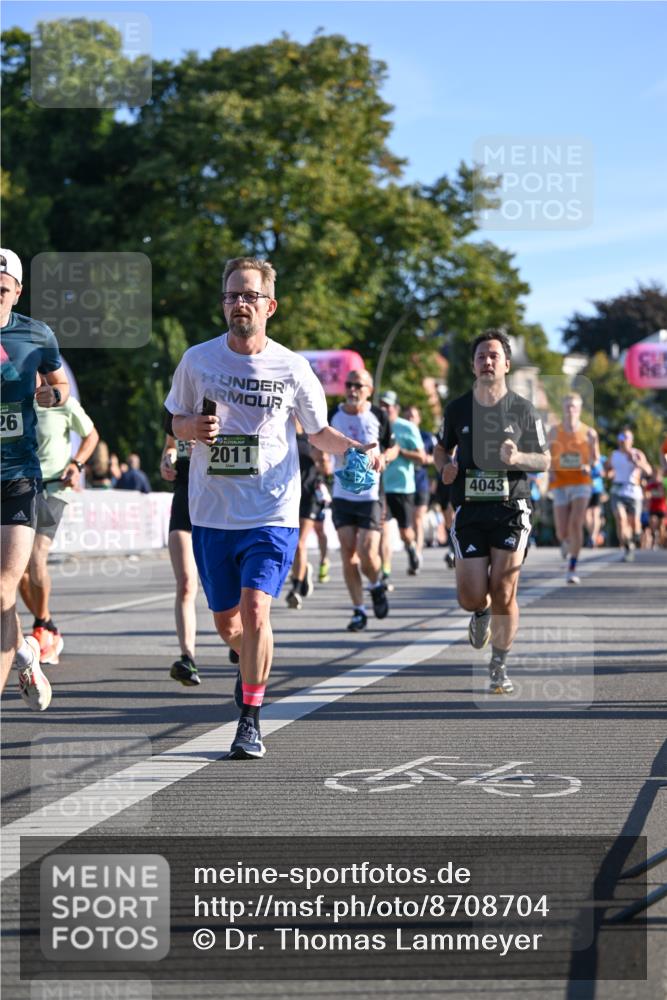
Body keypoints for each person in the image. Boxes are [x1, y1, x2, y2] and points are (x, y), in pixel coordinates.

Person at [164, 257, 380, 759]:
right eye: (232, 296)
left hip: (272, 511)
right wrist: (190, 428)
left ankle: (250, 718)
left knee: (257, 609)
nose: (240, 303)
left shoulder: (292, 366)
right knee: (228, 624)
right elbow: (173, 418)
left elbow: (317, 432)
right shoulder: (197, 360)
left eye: (250, 296)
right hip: (212, 512)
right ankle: (250, 665)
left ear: (270, 306)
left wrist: (355, 448)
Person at [434, 329, 550, 694]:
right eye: (481, 356)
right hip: (469, 509)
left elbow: (544, 460)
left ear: (507, 364)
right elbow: (440, 449)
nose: (487, 361)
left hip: (511, 508)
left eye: (494, 356)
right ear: (473, 365)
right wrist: (444, 467)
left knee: (503, 589)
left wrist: (519, 458)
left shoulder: (523, 409)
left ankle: (499, 664)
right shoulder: (457, 409)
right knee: (471, 596)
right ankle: (480, 612)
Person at [1, 248, 70, 709]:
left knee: (4, 586)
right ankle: (25, 651)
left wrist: (51, 395)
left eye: (0, 289)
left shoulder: (35, 334)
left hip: (18, 476)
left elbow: (59, 385)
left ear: (17, 291)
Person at [18, 395, 99, 664]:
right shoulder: (13, 398)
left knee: (36, 556)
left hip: (53, 487)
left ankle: (42, 628)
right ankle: (48, 625)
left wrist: (76, 464)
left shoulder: (62, 401)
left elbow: (91, 435)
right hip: (20, 488)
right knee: (17, 570)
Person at [329, 369, 395, 631]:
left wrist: (384, 458)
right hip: (342, 494)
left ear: (370, 390)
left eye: (358, 385)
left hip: (370, 495)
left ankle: (376, 584)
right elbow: (319, 442)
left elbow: (393, 446)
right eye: (349, 384)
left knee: (367, 553)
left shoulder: (378, 415)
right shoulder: (333, 415)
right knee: (348, 553)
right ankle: (359, 610)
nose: (352, 389)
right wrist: (320, 456)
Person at [160, 419, 200, 685]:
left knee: (229, 583)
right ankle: (188, 658)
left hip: (222, 501)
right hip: (185, 496)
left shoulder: (228, 398)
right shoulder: (175, 406)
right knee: (186, 584)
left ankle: (241, 641)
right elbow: (171, 445)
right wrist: (167, 459)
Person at [547, 392, 599, 584]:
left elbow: (596, 460)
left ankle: (572, 567)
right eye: (568, 406)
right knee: (562, 531)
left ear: (579, 409)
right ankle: (566, 541)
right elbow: (547, 456)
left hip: (581, 483)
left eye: (574, 407)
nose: (571, 410)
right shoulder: (554, 431)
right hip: (560, 483)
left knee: (576, 522)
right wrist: (550, 471)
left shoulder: (589, 433)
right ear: (563, 409)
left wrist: (590, 467)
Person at [284, 420, 332, 610]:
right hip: (286, 495)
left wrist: (321, 459)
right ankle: (302, 572)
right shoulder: (280, 434)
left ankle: (295, 589)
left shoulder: (312, 437)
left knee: (300, 543)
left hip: (308, 495)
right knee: (289, 543)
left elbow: (326, 469)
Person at [379, 392, 426, 581]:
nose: (384, 409)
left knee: (405, 532)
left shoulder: (407, 427)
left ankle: (411, 547)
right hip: (381, 488)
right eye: (381, 405)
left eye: (387, 405)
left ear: (396, 408)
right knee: (383, 531)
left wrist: (400, 451)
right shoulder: (376, 424)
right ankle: (385, 572)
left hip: (403, 488)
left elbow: (422, 457)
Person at [605, 429, 652, 561]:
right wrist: (608, 474)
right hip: (617, 490)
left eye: (626, 437)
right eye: (621, 437)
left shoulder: (638, 454)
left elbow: (649, 471)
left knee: (635, 525)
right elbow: (607, 469)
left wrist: (638, 463)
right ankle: (627, 547)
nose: (623, 440)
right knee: (621, 520)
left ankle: (634, 540)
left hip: (633, 491)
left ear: (631, 440)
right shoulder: (614, 455)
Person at [403, 404, 437, 559]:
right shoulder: (399, 436)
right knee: (407, 521)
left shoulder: (426, 437)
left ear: (419, 419)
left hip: (421, 483)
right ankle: (411, 547)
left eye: (413, 416)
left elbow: (437, 456)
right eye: (407, 416)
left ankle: (417, 552)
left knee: (417, 518)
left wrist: (425, 459)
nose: (410, 418)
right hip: (402, 484)